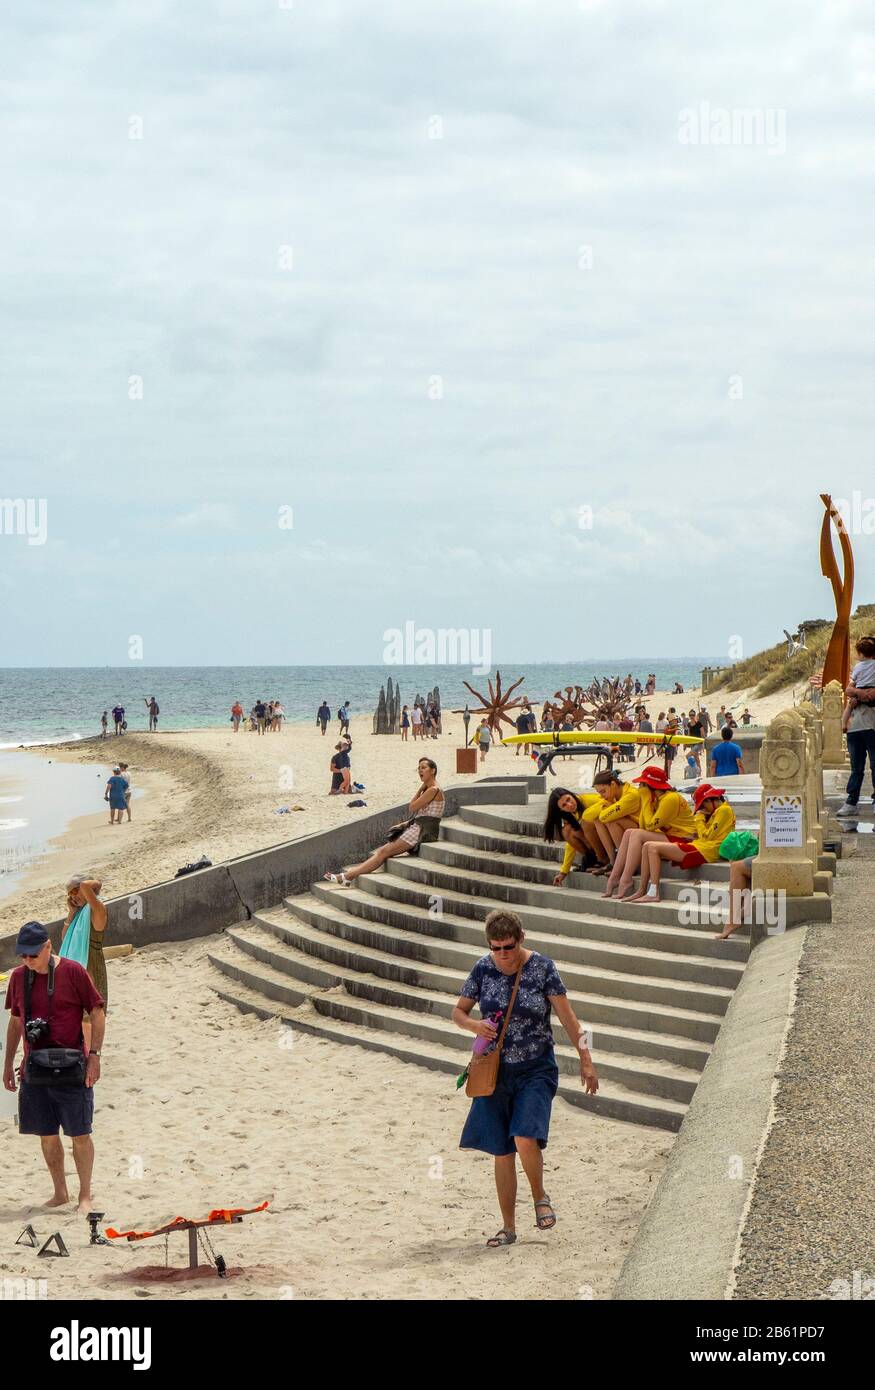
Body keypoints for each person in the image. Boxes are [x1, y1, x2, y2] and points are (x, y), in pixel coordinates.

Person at [454, 908, 598, 1246]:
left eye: (509, 946)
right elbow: (458, 1012)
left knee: (523, 1136)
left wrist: (586, 1060)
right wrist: (476, 1025)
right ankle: (508, 1227)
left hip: (536, 1067)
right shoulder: (483, 968)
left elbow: (569, 1018)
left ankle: (539, 1196)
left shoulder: (543, 968)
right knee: (501, 1150)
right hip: (493, 1070)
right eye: (496, 947)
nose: (503, 954)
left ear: (521, 939)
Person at [3, 921, 105, 1215]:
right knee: (46, 1134)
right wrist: (8, 1063)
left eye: (33, 955)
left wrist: (95, 1056)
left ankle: (85, 1195)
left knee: (80, 1134)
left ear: (49, 947)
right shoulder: (18, 977)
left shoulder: (73, 971)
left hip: (73, 1065)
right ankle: (60, 1192)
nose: (27, 961)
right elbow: (15, 1021)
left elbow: (97, 1011)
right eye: (22, 955)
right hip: (35, 1068)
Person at [324, 759, 444, 883]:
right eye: (419, 768)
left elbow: (412, 806)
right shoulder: (430, 789)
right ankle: (347, 876)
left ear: (433, 770)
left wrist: (420, 789)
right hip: (419, 828)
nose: (420, 770)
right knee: (383, 851)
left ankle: (346, 877)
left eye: (423, 768)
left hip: (422, 831)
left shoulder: (433, 790)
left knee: (383, 852)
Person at [602, 766, 696, 900]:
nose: (639, 788)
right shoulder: (656, 798)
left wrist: (645, 799)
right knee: (630, 832)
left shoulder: (671, 798)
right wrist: (646, 800)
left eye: (642, 784)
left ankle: (626, 878)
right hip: (673, 836)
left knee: (637, 834)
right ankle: (615, 877)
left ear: (651, 785)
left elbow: (651, 826)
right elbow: (643, 825)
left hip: (685, 839)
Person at [631, 783, 736, 903]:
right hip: (700, 846)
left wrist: (699, 819)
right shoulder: (717, 812)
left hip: (707, 850)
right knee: (647, 846)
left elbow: (707, 836)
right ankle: (642, 890)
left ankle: (654, 892)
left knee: (653, 848)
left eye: (702, 806)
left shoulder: (724, 810)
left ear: (709, 800)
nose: (702, 810)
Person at [60, 876, 109, 1031]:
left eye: (75, 891)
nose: (73, 896)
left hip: (91, 966)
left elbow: (85, 886)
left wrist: (97, 883)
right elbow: (64, 938)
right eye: (70, 895)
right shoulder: (79, 914)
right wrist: (71, 913)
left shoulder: (97, 909)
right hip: (76, 972)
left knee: (89, 1018)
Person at [838, 636, 875, 816]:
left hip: (871, 725)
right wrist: (862, 693)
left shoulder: (859, 668)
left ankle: (856, 802)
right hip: (857, 726)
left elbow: (850, 689)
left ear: (860, 653)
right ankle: (851, 802)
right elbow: (849, 690)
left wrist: (858, 694)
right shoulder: (862, 669)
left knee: (867, 766)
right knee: (857, 767)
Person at [543, 788, 608, 885]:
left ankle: (604, 860)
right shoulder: (570, 815)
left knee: (586, 823)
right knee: (567, 831)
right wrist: (564, 871)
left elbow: (611, 805)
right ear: (560, 809)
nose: (569, 805)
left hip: (609, 836)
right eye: (564, 805)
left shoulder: (588, 800)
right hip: (597, 839)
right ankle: (592, 860)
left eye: (568, 799)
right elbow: (570, 844)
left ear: (572, 795)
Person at [584, 770, 645, 869]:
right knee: (597, 820)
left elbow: (604, 816)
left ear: (613, 784)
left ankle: (623, 863)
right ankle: (613, 862)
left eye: (603, 791)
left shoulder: (631, 795)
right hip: (630, 828)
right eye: (599, 793)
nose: (601, 795)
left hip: (643, 828)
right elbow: (586, 816)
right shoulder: (612, 795)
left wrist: (606, 805)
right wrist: (604, 804)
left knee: (611, 821)